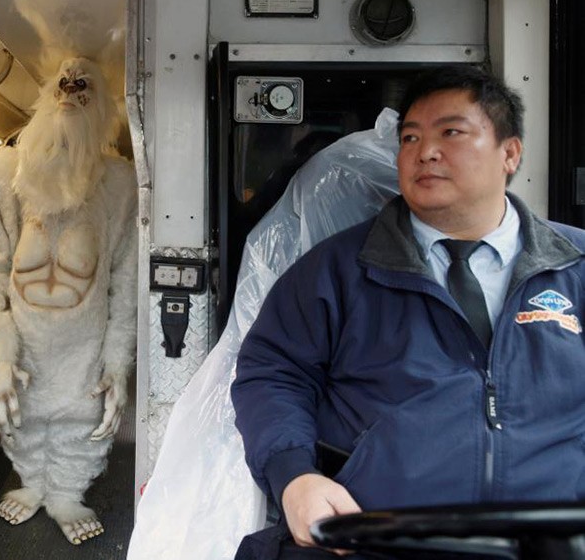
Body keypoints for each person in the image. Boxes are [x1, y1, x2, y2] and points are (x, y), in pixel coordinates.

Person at [231, 65, 585, 559]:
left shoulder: (575, 266)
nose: (425, 151)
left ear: (510, 152)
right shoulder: (337, 271)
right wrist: (295, 478)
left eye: (452, 132)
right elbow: (271, 373)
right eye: (411, 137)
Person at [0, 56, 137, 545]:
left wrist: (116, 364)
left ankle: (66, 491)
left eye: (83, 86)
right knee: (18, 410)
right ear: (46, 95)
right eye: (62, 84)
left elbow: (124, 280)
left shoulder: (119, 184)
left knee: (83, 414)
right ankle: (31, 483)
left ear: (103, 106)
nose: (70, 93)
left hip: (83, 340)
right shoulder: (5, 175)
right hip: (24, 337)